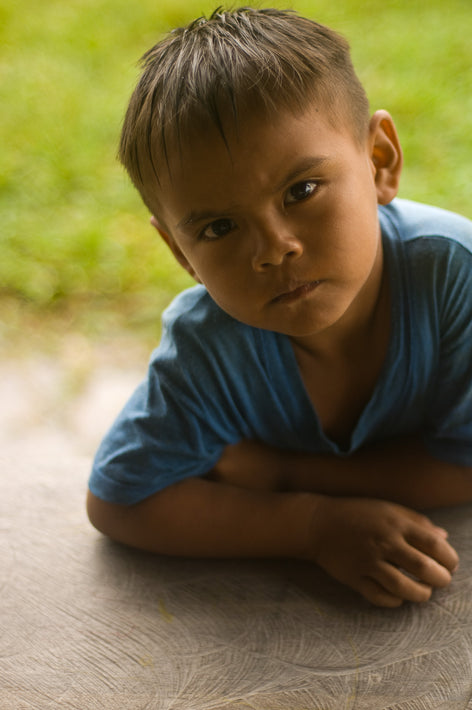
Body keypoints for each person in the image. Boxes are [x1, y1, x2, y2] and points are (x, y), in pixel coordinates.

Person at [87, 7, 472, 608]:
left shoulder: (453, 275)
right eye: (218, 228)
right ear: (179, 251)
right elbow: (123, 498)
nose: (273, 249)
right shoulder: (208, 346)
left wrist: (281, 475)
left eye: (301, 191)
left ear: (379, 162)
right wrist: (312, 527)